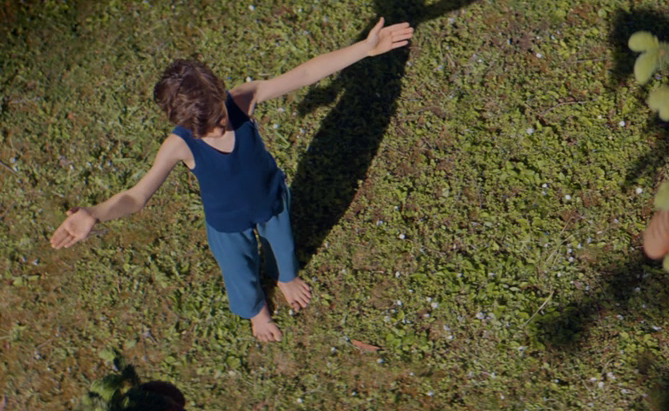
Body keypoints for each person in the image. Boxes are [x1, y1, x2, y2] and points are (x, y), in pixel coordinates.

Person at [50, 17, 415, 342]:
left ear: (219, 93)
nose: (220, 128)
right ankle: (257, 312)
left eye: (220, 118)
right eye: (207, 129)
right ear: (184, 124)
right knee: (239, 273)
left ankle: (285, 278)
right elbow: (136, 196)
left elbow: (304, 74)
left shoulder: (241, 100)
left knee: (283, 250)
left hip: (270, 199)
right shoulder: (179, 145)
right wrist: (94, 213)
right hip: (226, 223)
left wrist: (365, 49)